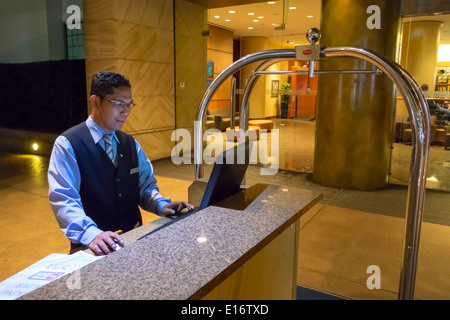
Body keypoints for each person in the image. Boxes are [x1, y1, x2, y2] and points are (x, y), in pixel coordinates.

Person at [48, 71, 193, 255]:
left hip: (134, 242)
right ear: (96, 101)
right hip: (93, 249)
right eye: (118, 104)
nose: (125, 112)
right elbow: (64, 199)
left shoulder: (130, 143)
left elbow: (145, 188)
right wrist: (91, 234)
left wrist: (161, 204)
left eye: (128, 104)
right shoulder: (68, 145)